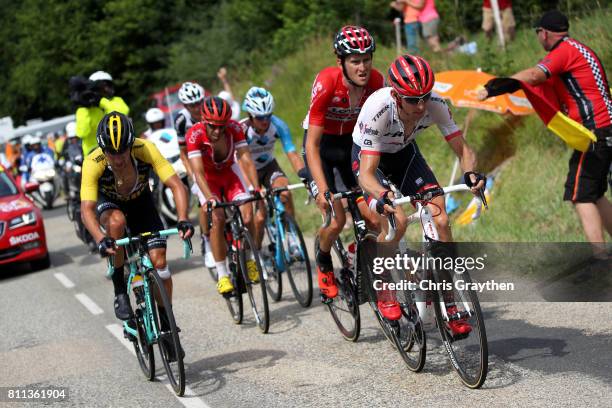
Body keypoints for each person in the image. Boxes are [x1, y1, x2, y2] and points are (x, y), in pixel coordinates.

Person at [352, 54, 485, 331]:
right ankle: (385, 281)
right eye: (413, 100)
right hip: (370, 159)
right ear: (396, 95)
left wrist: (470, 173)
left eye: (425, 96)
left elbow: (463, 148)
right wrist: (382, 194)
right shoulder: (378, 109)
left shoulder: (435, 104)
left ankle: (448, 301)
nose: (421, 105)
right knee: (397, 221)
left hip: (404, 154)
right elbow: (366, 174)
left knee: (441, 219)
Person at [478, 10, 611, 259]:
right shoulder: (578, 47)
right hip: (603, 129)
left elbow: (533, 76)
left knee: (579, 194)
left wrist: (495, 87)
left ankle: (601, 259)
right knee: (595, 192)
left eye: (538, 33)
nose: (539, 38)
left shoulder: (563, 51)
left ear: (545, 33)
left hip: (595, 131)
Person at [80, 112, 194, 337]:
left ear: (131, 144)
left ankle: (165, 318)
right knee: (117, 221)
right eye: (112, 153)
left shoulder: (146, 149)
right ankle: (120, 289)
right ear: (104, 150)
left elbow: (177, 186)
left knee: (159, 263)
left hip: (141, 203)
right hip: (110, 205)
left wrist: (182, 218)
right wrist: (101, 239)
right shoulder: (93, 162)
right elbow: (87, 209)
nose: (119, 158)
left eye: (123, 150)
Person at [303, 25, 383, 300]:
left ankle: (360, 259)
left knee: (374, 217)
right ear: (341, 62)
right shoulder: (327, 82)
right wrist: (324, 189)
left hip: (352, 148)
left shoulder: (376, 82)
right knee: (336, 220)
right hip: (322, 149)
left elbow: (377, 134)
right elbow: (311, 145)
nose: (363, 67)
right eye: (355, 61)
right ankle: (324, 260)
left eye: (367, 59)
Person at [187, 96, 260, 294]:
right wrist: (209, 198)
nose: (218, 131)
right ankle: (222, 274)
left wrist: (255, 187)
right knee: (217, 219)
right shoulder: (194, 135)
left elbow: (245, 159)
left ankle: (251, 260)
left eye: (222, 126)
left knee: (247, 213)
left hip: (229, 174)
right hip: (208, 180)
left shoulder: (235, 129)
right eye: (213, 126)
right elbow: (198, 173)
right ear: (203, 120)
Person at [240, 86, 305, 251]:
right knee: (260, 217)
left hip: (268, 166)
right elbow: (241, 162)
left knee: (284, 191)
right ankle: (256, 253)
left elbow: (291, 152)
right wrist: (253, 188)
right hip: (247, 170)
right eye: (260, 117)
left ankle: (291, 235)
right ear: (250, 115)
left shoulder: (278, 125)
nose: (265, 121)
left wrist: (306, 177)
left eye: (268, 116)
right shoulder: (242, 130)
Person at [174, 81, 215, 268]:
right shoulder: (182, 121)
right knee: (203, 200)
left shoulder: (210, 110)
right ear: (185, 106)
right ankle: (206, 241)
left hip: (213, 158)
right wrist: (194, 178)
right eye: (192, 105)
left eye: (200, 102)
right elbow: (183, 154)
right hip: (194, 161)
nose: (198, 108)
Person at [73, 71, 130, 155]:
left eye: (109, 85)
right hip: (94, 154)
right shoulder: (83, 110)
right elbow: (82, 133)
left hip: (119, 150)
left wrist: (101, 101)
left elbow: (122, 114)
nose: (108, 89)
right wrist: (85, 107)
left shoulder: (116, 101)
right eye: (104, 87)